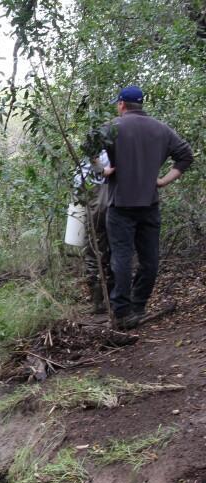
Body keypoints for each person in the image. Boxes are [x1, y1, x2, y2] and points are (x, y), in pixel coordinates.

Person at [100, 86, 193, 329]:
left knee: (121, 259)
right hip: (149, 204)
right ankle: (138, 306)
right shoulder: (160, 128)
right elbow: (186, 156)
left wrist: (102, 169)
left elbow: (88, 146)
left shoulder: (113, 126)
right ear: (140, 105)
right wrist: (162, 181)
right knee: (149, 258)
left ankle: (121, 312)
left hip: (120, 205)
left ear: (121, 104)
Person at [74, 151, 113, 314]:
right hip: (117, 204)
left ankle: (98, 302)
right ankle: (115, 299)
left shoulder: (86, 161)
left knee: (93, 253)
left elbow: (77, 188)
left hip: (94, 207)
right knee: (118, 250)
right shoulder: (120, 152)